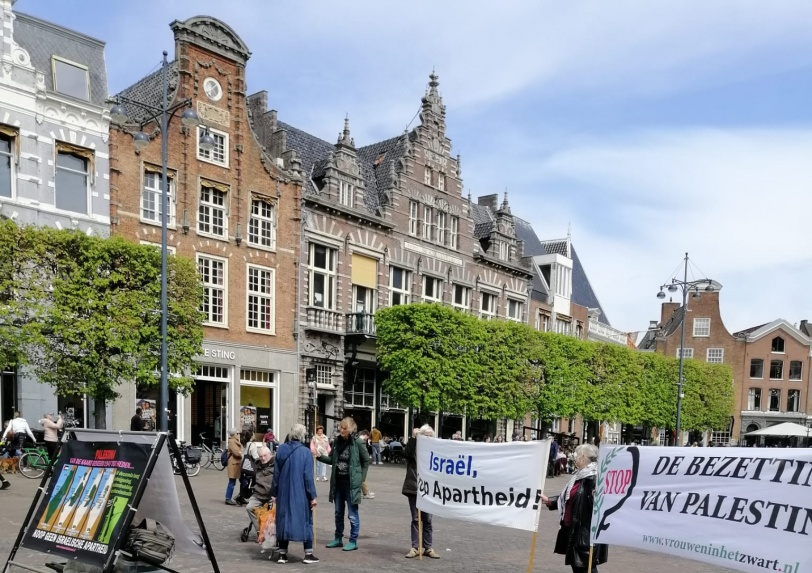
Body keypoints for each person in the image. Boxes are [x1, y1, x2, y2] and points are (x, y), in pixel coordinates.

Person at [541, 444, 608, 573]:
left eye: (576, 456)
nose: (574, 459)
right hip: (573, 530)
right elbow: (570, 497)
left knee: (584, 568)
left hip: (584, 533)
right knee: (579, 567)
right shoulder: (580, 475)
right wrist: (550, 501)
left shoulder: (593, 478)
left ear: (583, 457)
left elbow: (598, 505)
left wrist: (596, 496)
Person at [316, 416, 370, 551]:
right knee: (338, 512)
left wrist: (361, 478)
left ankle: (353, 540)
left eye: (344, 428)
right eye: (340, 427)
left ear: (350, 429)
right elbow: (332, 460)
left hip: (351, 483)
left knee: (352, 514)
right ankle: (338, 538)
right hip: (338, 482)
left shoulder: (358, 443)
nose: (341, 430)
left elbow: (366, 461)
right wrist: (320, 457)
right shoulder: (337, 441)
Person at [271, 423, 319, 564]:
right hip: (300, 492)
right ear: (302, 435)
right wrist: (312, 496)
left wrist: (274, 493)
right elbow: (308, 477)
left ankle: (282, 554)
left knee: (283, 519)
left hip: (283, 491)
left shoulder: (281, 450)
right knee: (306, 520)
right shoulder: (306, 452)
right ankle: (308, 554)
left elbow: (276, 474)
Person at [402, 424, 439, 559]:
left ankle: (428, 547)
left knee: (427, 519)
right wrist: (413, 438)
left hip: (429, 490)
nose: (428, 438)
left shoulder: (435, 451)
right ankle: (415, 547)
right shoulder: (415, 448)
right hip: (414, 487)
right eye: (425, 436)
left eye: (430, 436)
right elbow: (406, 454)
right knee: (416, 519)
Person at [245, 445, 275, 532]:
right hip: (258, 494)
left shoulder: (276, 465)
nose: (263, 458)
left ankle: (271, 530)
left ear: (270, 454)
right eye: (261, 456)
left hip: (272, 495)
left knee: (274, 510)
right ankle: (261, 531)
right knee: (249, 507)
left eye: (265, 455)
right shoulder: (257, 465)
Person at [237, 430, 261, 506]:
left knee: (245, 481)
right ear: (251, 436)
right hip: (250, 466)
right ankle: (245, 496)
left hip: (244, 465)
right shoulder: (252, 445)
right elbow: (255, 456)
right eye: (253, 434)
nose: (254, 435)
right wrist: (260, 457)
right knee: (252, 482)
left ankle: (241, 497)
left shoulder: (246, 443)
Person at [224, 428, 243, 505]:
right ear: (234, 434)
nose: (238, 435)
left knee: (243, 481)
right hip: (233, 464)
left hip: (237, 464)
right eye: (237, 433)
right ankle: (228, 498)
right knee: (232, 482)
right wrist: (241, 453)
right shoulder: (232, 441)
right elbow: (236, 453)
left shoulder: (236, 440)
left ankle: (241, 497)